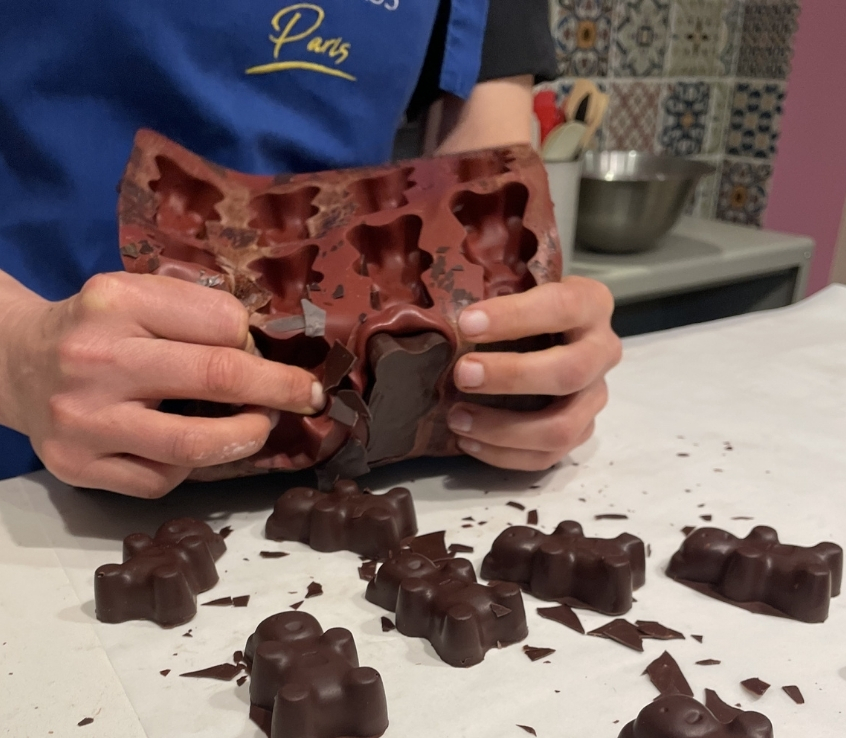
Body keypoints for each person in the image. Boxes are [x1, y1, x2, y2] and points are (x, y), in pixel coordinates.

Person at [0, 0, 621, 495]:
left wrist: (529, 361)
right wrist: (19, 354)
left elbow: (481, 183)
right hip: (32, 470)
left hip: (361, 470)